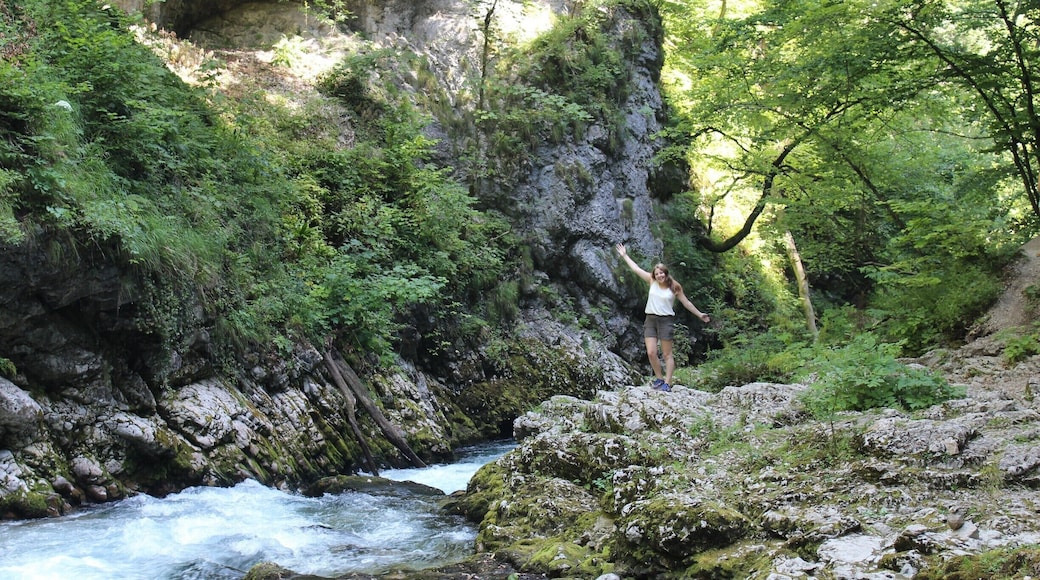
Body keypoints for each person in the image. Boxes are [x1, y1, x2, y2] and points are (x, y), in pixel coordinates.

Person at [615, 243, 711, 391]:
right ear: (655, 275)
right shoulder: (651, 281)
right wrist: (625, 255)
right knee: (651, 352)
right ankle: (659, 378)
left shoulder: (674, 287)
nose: (659, 275)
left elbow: (686, 303)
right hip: (650, 319)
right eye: (657, 273)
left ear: (666, 274)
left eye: (662, 273)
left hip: (666, 320)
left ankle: (668, 382)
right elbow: (636, 269)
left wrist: (700, 314)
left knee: (667, 354)